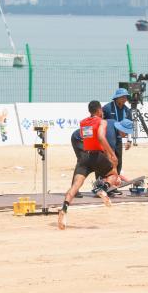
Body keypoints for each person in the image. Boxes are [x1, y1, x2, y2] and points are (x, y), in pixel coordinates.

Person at [58, 101, 119, 230]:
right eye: (101, 110)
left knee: (75, 186)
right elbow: (100, 137)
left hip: (84, 157)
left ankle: (64, 208)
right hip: (97, 156)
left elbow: (89, 140)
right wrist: (111, 154)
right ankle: (103, 188)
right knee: (114, 174)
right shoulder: (102, 122)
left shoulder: (83, 123)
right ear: (99, 110)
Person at [71, 118, 135, 196]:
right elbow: (107, 156)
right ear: (122, 129)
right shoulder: (110, 135)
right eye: (126, 132)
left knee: (101, 161)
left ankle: (104, 186)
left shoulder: (115, 127)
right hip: (79, 138)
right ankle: (75, 189)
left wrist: (115, 175)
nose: (126, 135)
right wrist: (114, 175)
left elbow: (116, 155)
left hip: (90, 137)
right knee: (83, 162)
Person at [103, 88, 133, 174]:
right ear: (117, 98)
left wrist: (129, 140)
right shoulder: (107, 108)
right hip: (108, 139)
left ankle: (117, 176)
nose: (125, 99)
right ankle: (105, 177)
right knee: (108, 159)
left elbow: (129, 126)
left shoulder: (127, 110)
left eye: (126, 97)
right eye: (122, 97)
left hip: (119, 138)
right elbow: (99, 121)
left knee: (118, 160)